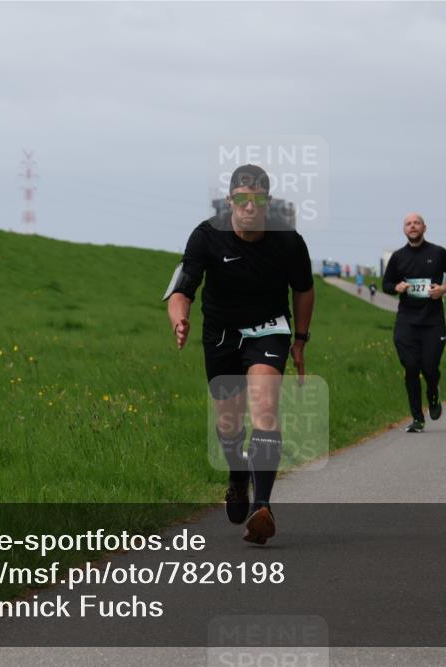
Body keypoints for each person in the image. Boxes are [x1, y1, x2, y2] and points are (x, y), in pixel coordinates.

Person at [165, 164, 315, 544]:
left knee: (265, 406)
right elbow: (182, 289)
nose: (250, 206)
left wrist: (300, 339)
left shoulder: (288, 241)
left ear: (268, 202)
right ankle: (237, 475)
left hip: (269, 329)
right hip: (221, 335)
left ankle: (262, 507)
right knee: (229, 422)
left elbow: (303, 289)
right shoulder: (206, 235)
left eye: (258, 199)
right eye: (243, 199)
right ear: (230, 200)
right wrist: (179, 318)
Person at [382, 213, 446, 432]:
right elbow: (386, 284)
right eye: (408, 224)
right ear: (404, 230)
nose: (413, 226)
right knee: (411, 367)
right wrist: (396, 287)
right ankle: (417, 418)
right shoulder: (398, 257)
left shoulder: (438, 253)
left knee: (429, 368)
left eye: (416, 223)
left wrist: (443, 289)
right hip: (407, 321)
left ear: (424, 228)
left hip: (433, 321)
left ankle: (433, 392)